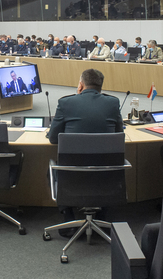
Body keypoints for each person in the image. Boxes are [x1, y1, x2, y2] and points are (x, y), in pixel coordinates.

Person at [47, 69, 123, 236]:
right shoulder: (113, 103)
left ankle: (68, 217)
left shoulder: (66, 103)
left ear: (80, 84)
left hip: (72, 175)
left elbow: (53, 138)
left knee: (52, 167)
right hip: (106, 175)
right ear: (101, 87)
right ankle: (102, 215)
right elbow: (119, 134)